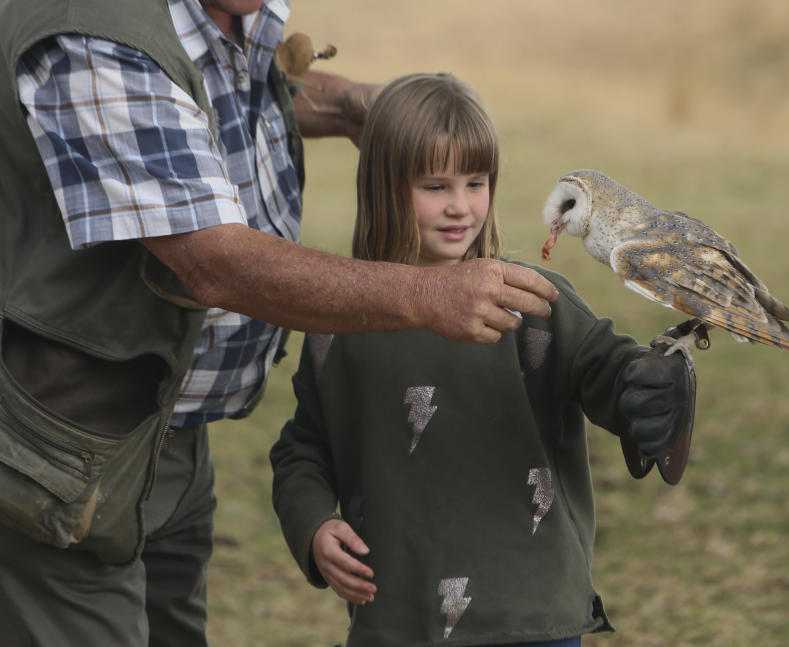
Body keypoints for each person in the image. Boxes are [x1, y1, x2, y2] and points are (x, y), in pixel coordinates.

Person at [0, 1, 559, 646]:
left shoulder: (231, 14)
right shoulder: (94, 26)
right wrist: (429, 292)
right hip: (68, 446)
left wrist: (348, 103)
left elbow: (204, 95)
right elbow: (216, 266)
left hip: (170, 436)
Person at [270, 72, 694, 647]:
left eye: (476, 182)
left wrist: (650, 380)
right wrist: (315, 525)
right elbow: (303, 447)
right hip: (398, 620)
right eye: (434, 186)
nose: (460, 207)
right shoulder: (339, 322)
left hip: (535, 614)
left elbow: (608, 369)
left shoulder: (533, 300)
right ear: (382, 186)